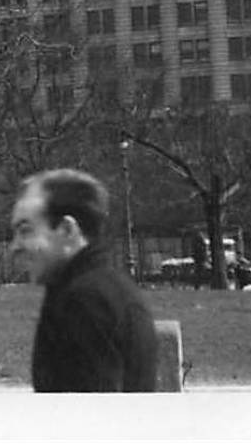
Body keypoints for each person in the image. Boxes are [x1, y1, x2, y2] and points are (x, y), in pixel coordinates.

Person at [9, 168, 157, 392]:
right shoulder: (98, 290)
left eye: (26, 230)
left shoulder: (87, 303)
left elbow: (88, 421)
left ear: (67, 229)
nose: (15, 246)